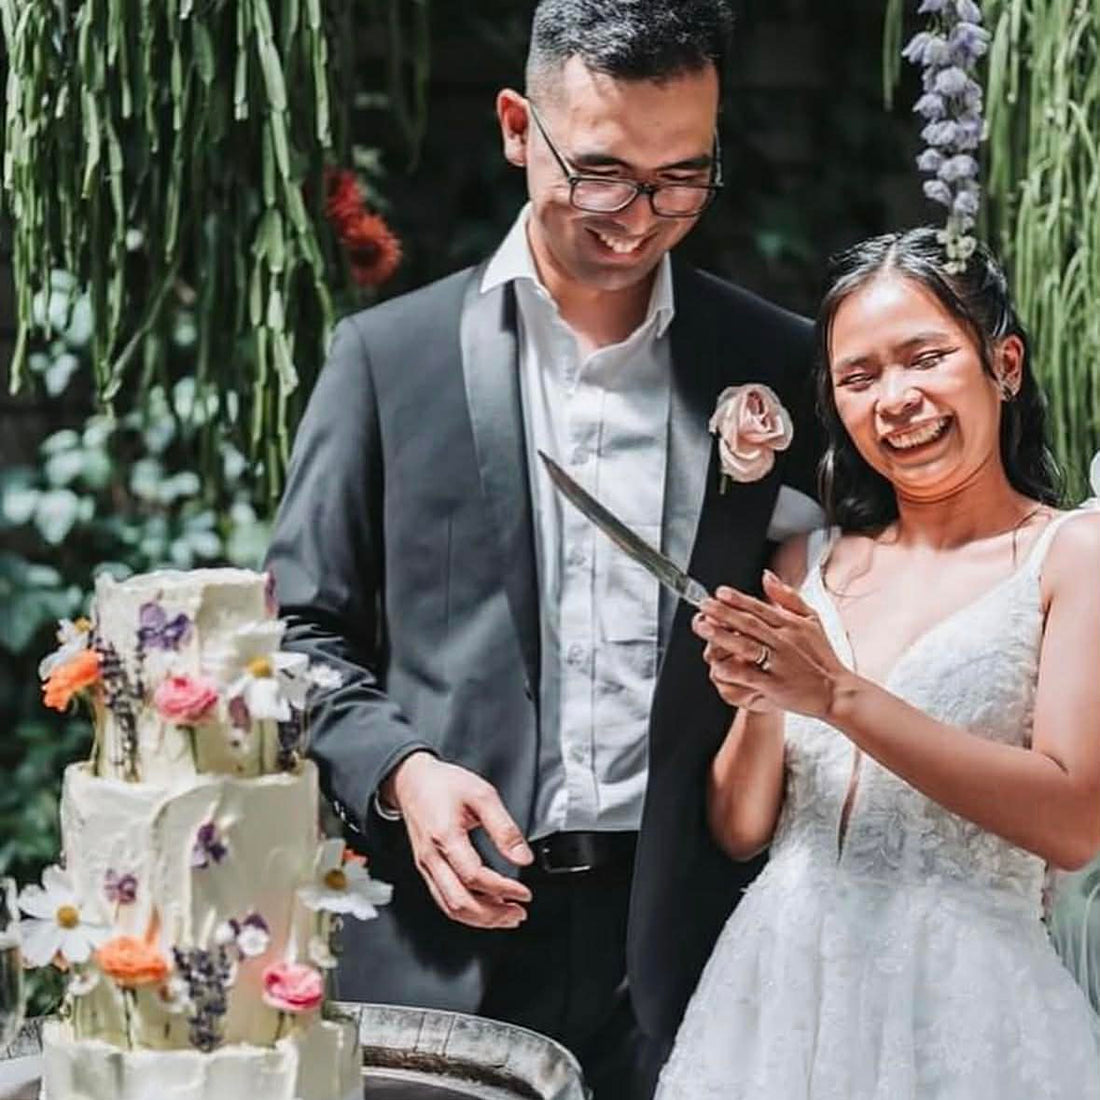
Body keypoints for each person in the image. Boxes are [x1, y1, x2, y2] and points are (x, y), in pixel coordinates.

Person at [265, 1, 822, 1095]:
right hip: (440, 938)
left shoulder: (775, 356)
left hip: (690, 939)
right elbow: (295, 631)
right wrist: (402, 772)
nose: (640, 217)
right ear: (519, 127)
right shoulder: (386, 357)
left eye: (681, 178)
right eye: (605, 172)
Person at [655, 227, 1100, 1098]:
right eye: (859, 378)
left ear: (1003, 366)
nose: (894, 398)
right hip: (773, 996)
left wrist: (836, 693)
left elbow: (1074, 823)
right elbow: (744, 829)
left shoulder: (1071, 555)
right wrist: (762, 694)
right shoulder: (806, 564)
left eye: (925, 358)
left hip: (968, 1005)